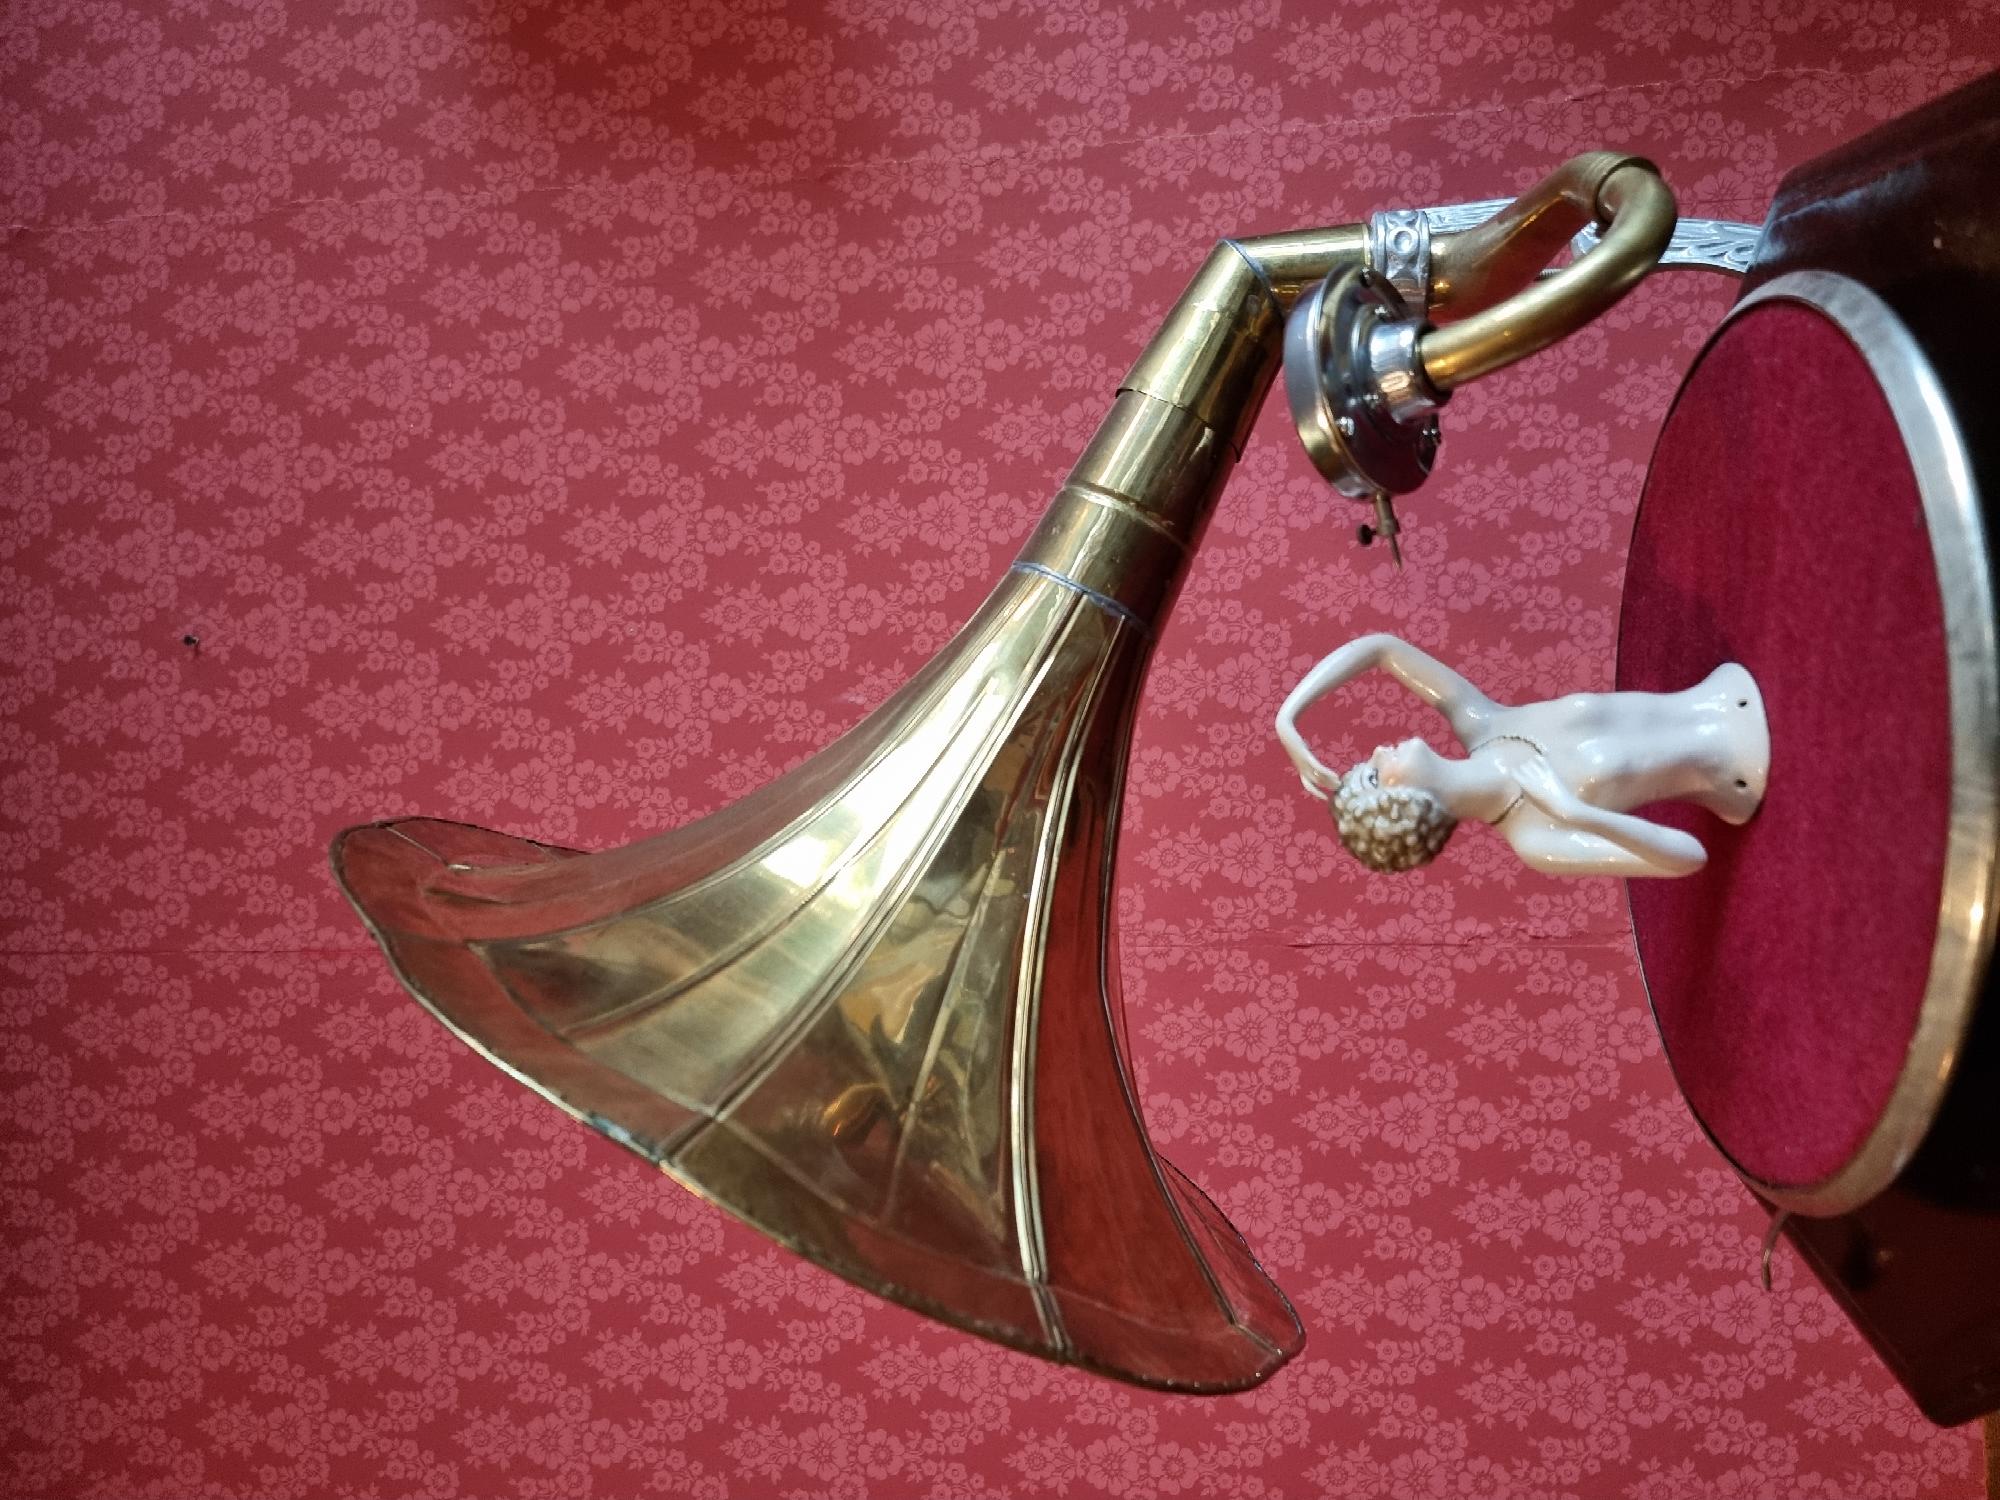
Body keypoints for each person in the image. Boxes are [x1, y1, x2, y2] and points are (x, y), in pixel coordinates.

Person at [1274, 633, 1768, 878]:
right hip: (1742, 776)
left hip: (1723, 691)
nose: (1380, 751)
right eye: (1374, 773)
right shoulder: (1536, 840)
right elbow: (1687, 859)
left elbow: (1381, 648)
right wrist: (1576, 813)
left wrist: (1288, 718)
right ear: (1401, 806)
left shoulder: (1483, 722)